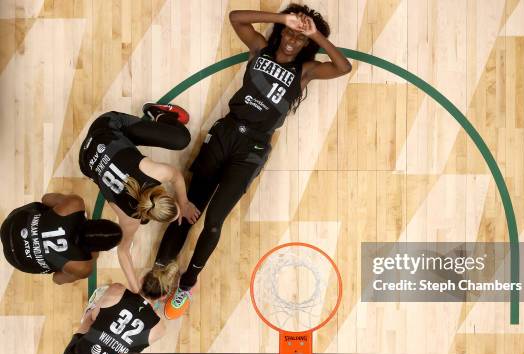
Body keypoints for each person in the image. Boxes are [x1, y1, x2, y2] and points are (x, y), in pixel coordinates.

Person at [155, 4, 352, 319]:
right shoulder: (260, 48)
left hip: (252, 150)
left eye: (299, 38)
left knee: (214, 220)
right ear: (282, 30)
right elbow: (235, 18)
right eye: (289, 32)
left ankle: (187, 282)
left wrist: (313, 33)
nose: (291, 40)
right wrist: (282, 19)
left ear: (306, 45)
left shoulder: (306, 71)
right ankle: (159, 270)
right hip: (226, 133)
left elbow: (343, 68)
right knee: (189, 206)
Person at [79, 104, 201, 292]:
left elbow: (176, 176)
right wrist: (137, 292)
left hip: (98, 142)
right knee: (182, 138)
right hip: (94, 147)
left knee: (181, 138)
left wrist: (183, 203)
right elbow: (122, 252)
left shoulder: (153, 173)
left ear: (163, 194)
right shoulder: (130, 218)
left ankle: (157, 116)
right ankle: (158, 115)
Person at [61, 262, 179, 354]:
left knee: (91, 318)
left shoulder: (116, 289)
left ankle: (91, 307)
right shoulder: (159, 328)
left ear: (141, 280)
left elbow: (93, 319)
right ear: (163, 297)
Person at [1, 193, 122, 284]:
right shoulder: (83, 267)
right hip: (16, 259)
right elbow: (57, 279)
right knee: (64, 267)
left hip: (11, 224)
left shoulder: (75, 204)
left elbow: (46, 198)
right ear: (101, 249)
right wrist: (93, 257)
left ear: (99, 221)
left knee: (52, 207)